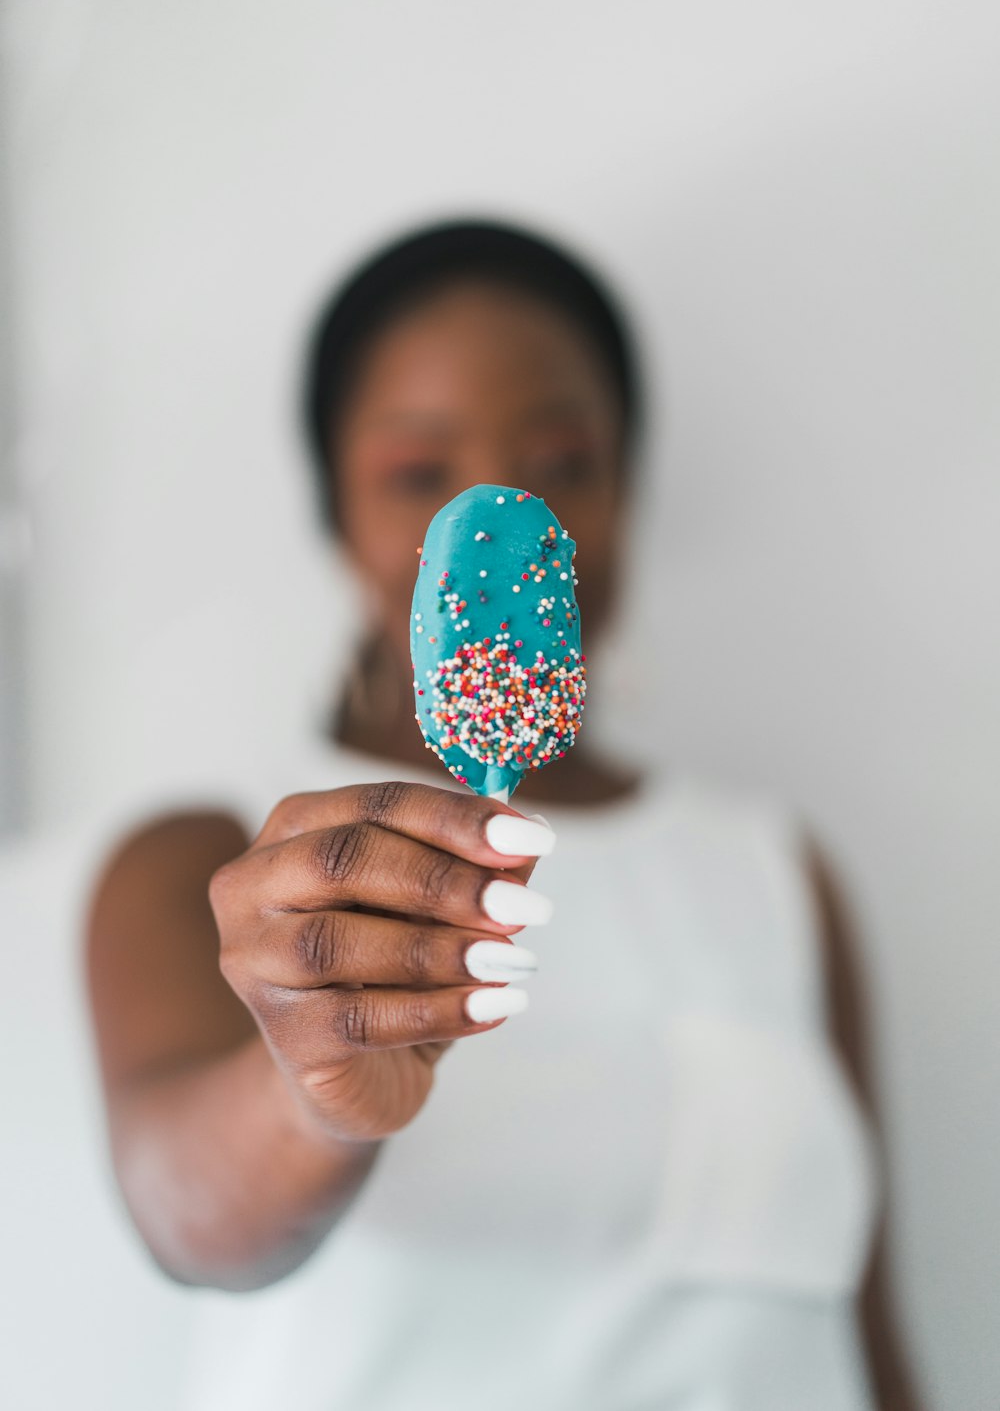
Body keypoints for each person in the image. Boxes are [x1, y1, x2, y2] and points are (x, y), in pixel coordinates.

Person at [85, 220, 920, 1410]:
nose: (497, 525)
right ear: (336, 519)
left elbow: (862, 1330)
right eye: (421, 477)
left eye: (565, 461)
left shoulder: (778, 872)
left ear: (626, 494)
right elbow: (185, 1216)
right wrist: (306, 1093)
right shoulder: (210, 859)